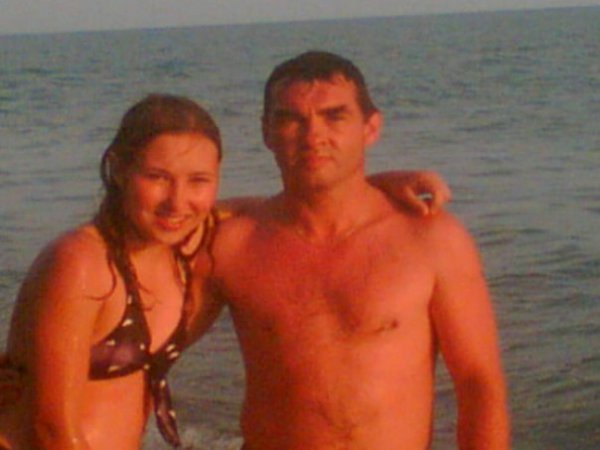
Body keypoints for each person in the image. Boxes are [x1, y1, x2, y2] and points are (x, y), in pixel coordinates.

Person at [0, 92, 450, 448]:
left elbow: (298, 211)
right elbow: (51, 430)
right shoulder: (81, 263)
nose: (177, 201)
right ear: (119, 170)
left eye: (198, 181)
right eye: (156, 177)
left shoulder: (185, 243)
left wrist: (381, 186)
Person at [199, 51, 511, 449]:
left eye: (334, 116)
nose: (313, 136)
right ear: (267, 132)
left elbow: (478, 383)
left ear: (371, 127)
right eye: (291, 119)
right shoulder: (233, 244)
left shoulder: (432, 240)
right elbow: (147, 350)